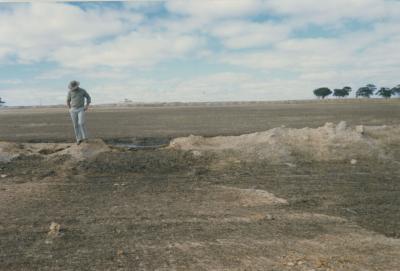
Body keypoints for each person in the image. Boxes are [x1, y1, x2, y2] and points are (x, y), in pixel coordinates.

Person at [67, 80, 91, 145]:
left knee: (81, 123)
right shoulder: (70, 92)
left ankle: (85, 138)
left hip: (81, 109)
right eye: (72, 88)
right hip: (73, 110)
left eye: (73, 87)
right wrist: (70, 109)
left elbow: (88, 98)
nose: (73, 89)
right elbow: (68, 101)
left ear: (77, 86)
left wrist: (87, 105)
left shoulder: (82, 91)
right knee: (75, 125)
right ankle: (78, 139)